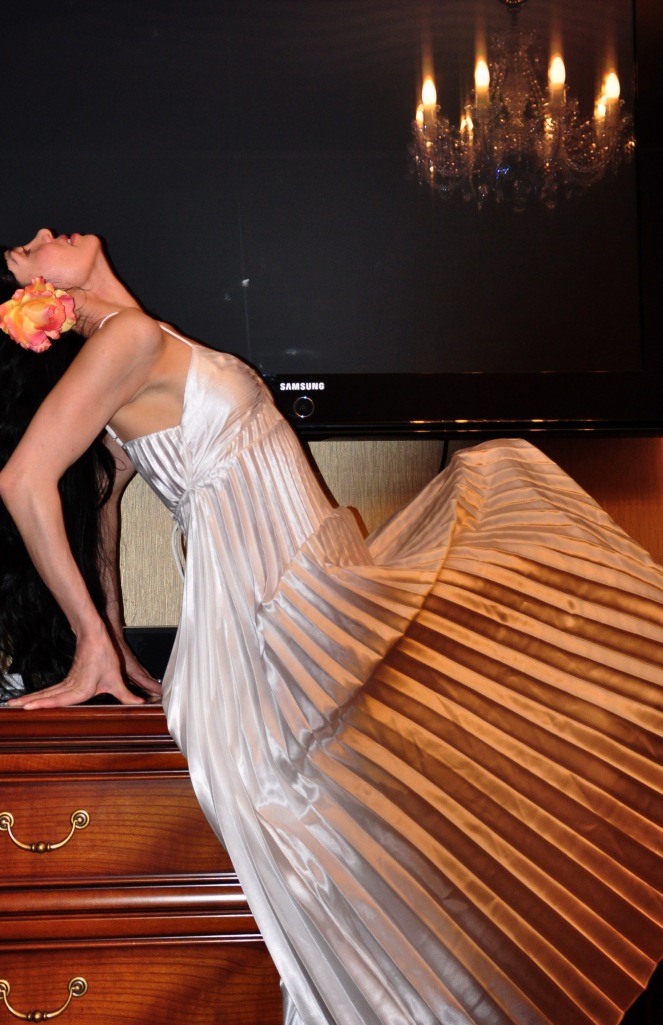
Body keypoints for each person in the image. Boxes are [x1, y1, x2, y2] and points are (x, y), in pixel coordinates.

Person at [0, 228, 661, 1025]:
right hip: (281, 616)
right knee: (505, 504)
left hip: (303, 596)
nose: (46, 235)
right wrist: (93, 641)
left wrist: (107, 638)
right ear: (34, 293)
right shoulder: (127, 340)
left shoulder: (135, 335)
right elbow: (24, 479)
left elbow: (102, 497)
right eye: (28, 249)